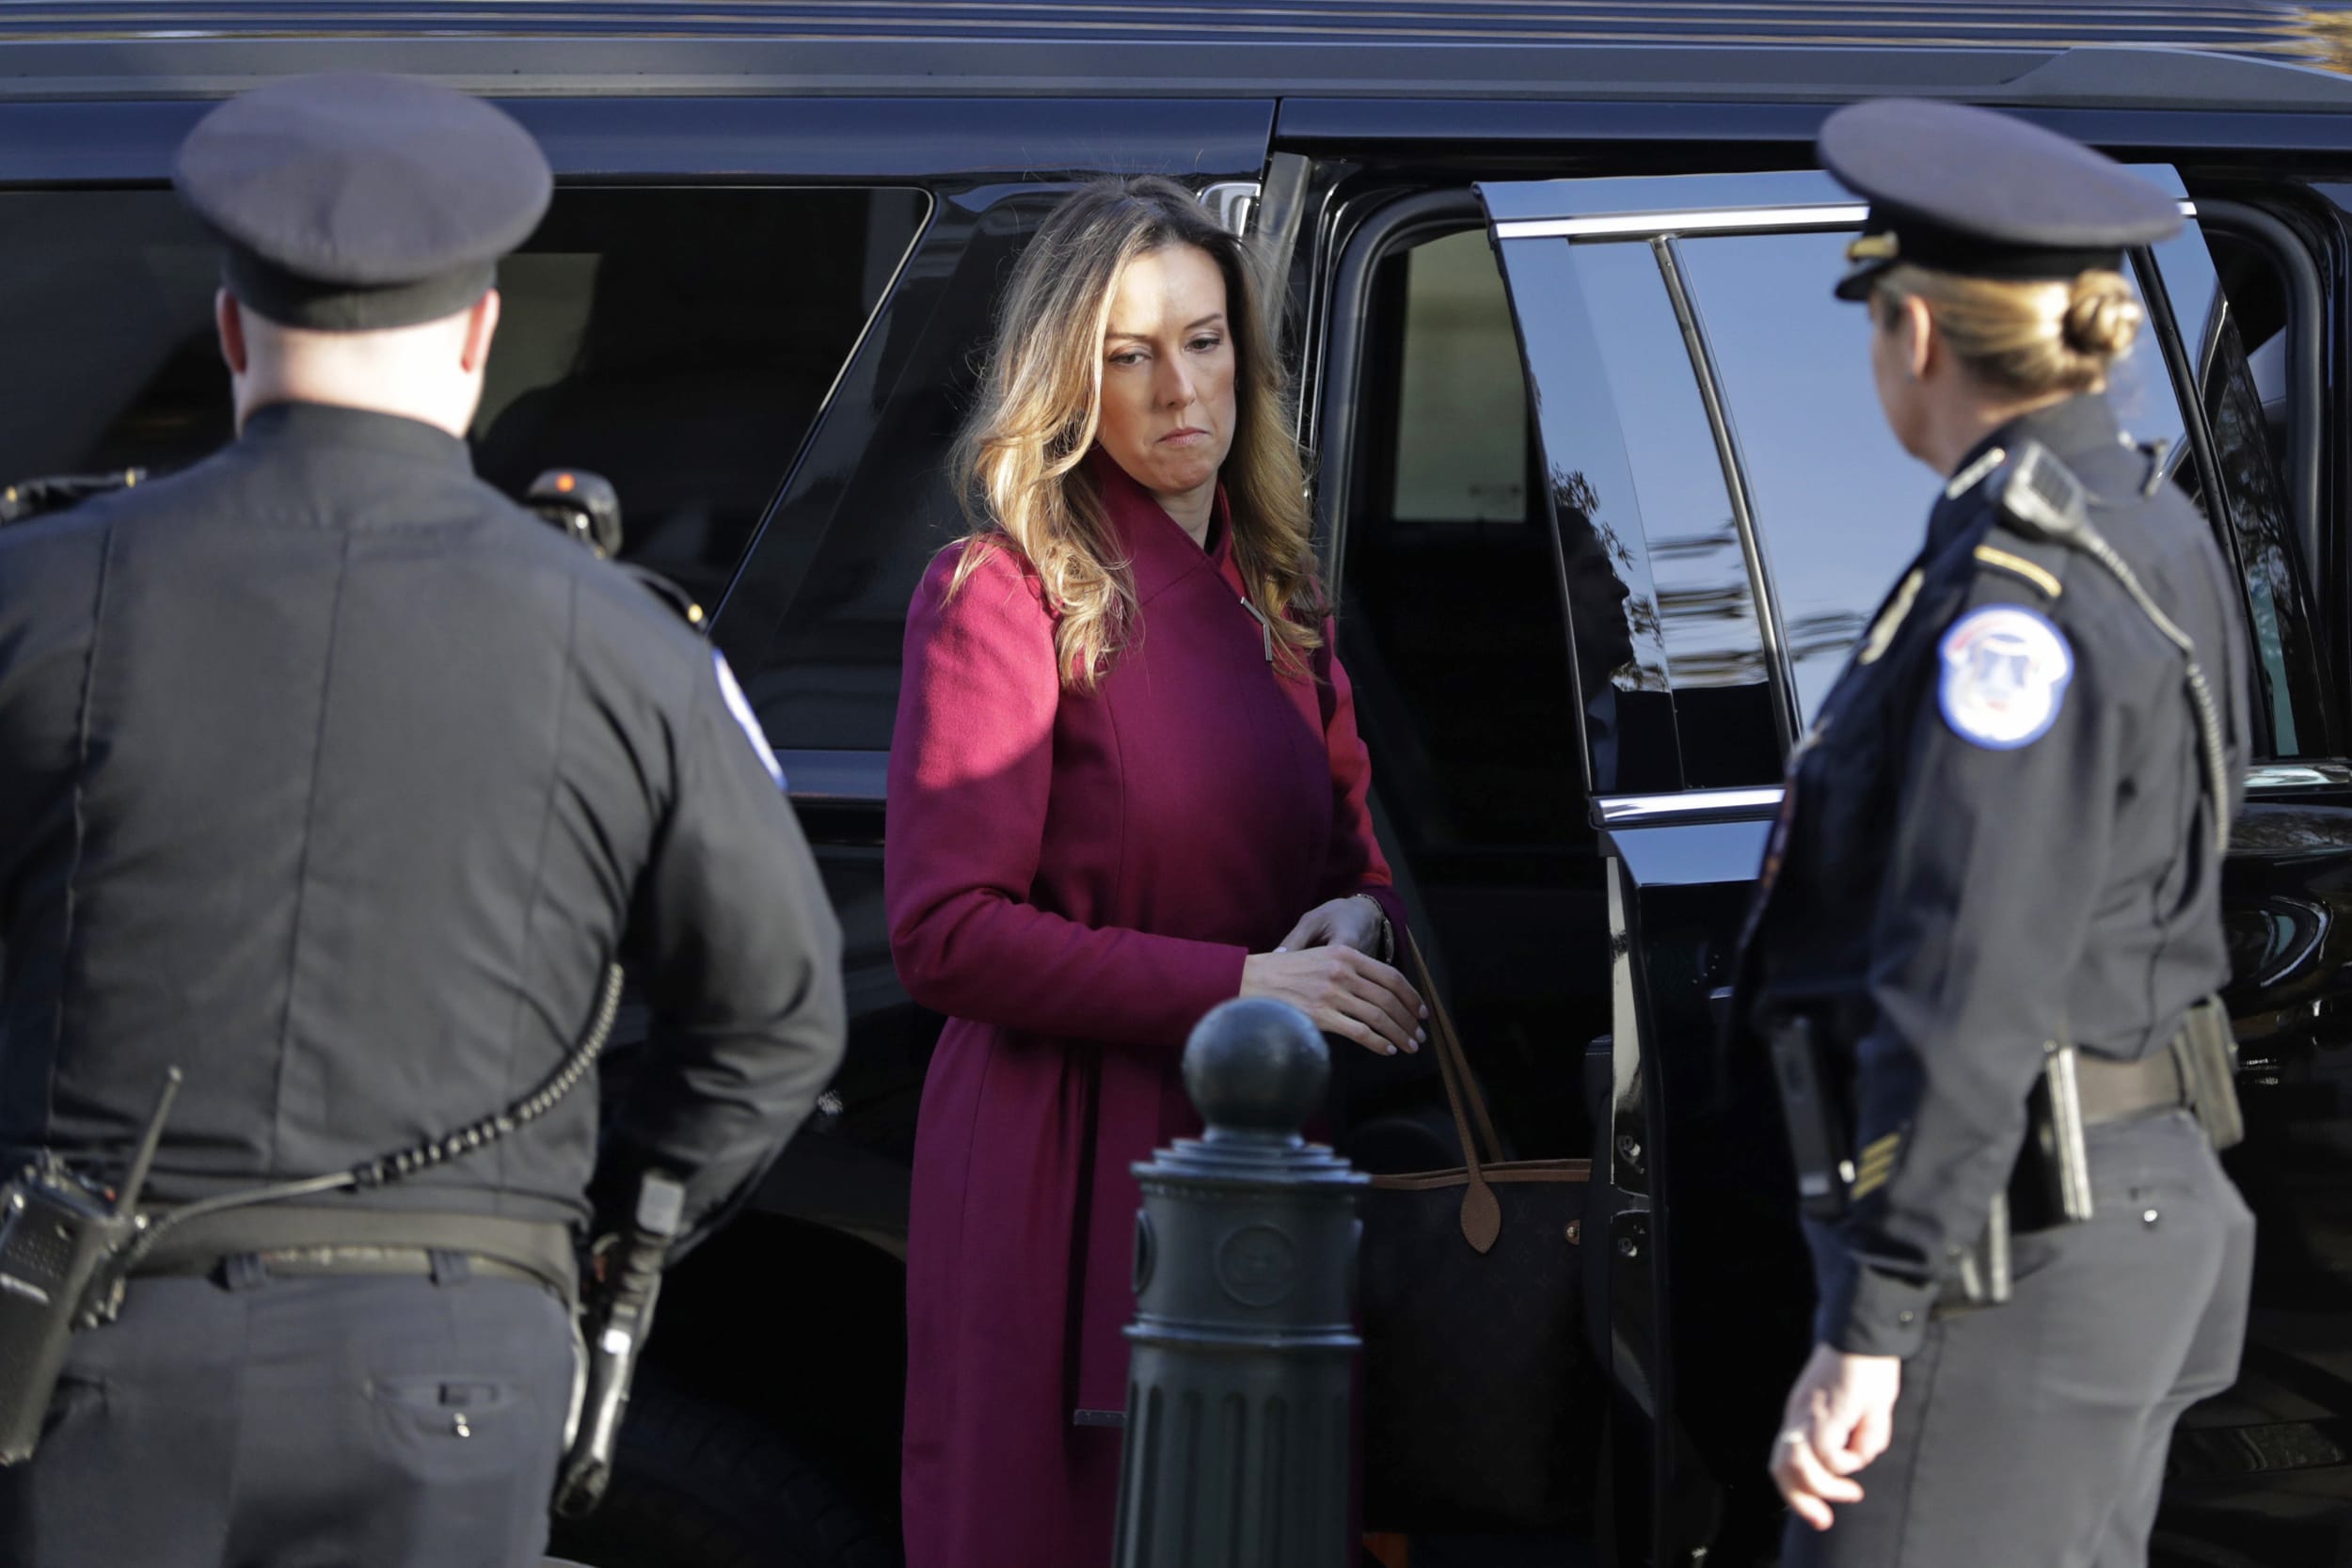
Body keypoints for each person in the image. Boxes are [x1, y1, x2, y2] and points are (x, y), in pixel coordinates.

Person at [0, 73, 845, 1567]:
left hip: (91, 1349)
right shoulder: (632, 643)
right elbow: (777, 1016)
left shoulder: (43, 595)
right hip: (459, 1359)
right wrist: (618, 1242)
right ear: (477, 335)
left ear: (227, 327)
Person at [1740, 98, 2256, 1567]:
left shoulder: (2015, 595)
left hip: (2019, 1254)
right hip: (2119, 1215)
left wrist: (1877, 1316)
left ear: (1915, 332)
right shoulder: (2140, 518)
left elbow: (1974, 964)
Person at [886, 175, 1425, 1566]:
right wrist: (1245, 982)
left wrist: (1359, 919)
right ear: (1068, 380)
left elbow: (1356, 852)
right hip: (1055, 1162)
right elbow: (945, 935)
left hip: (1259, 1157)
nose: (1180, 390)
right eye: (1129, 356)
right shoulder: (1001, 591)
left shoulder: (1278, 595)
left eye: (1203, 341)